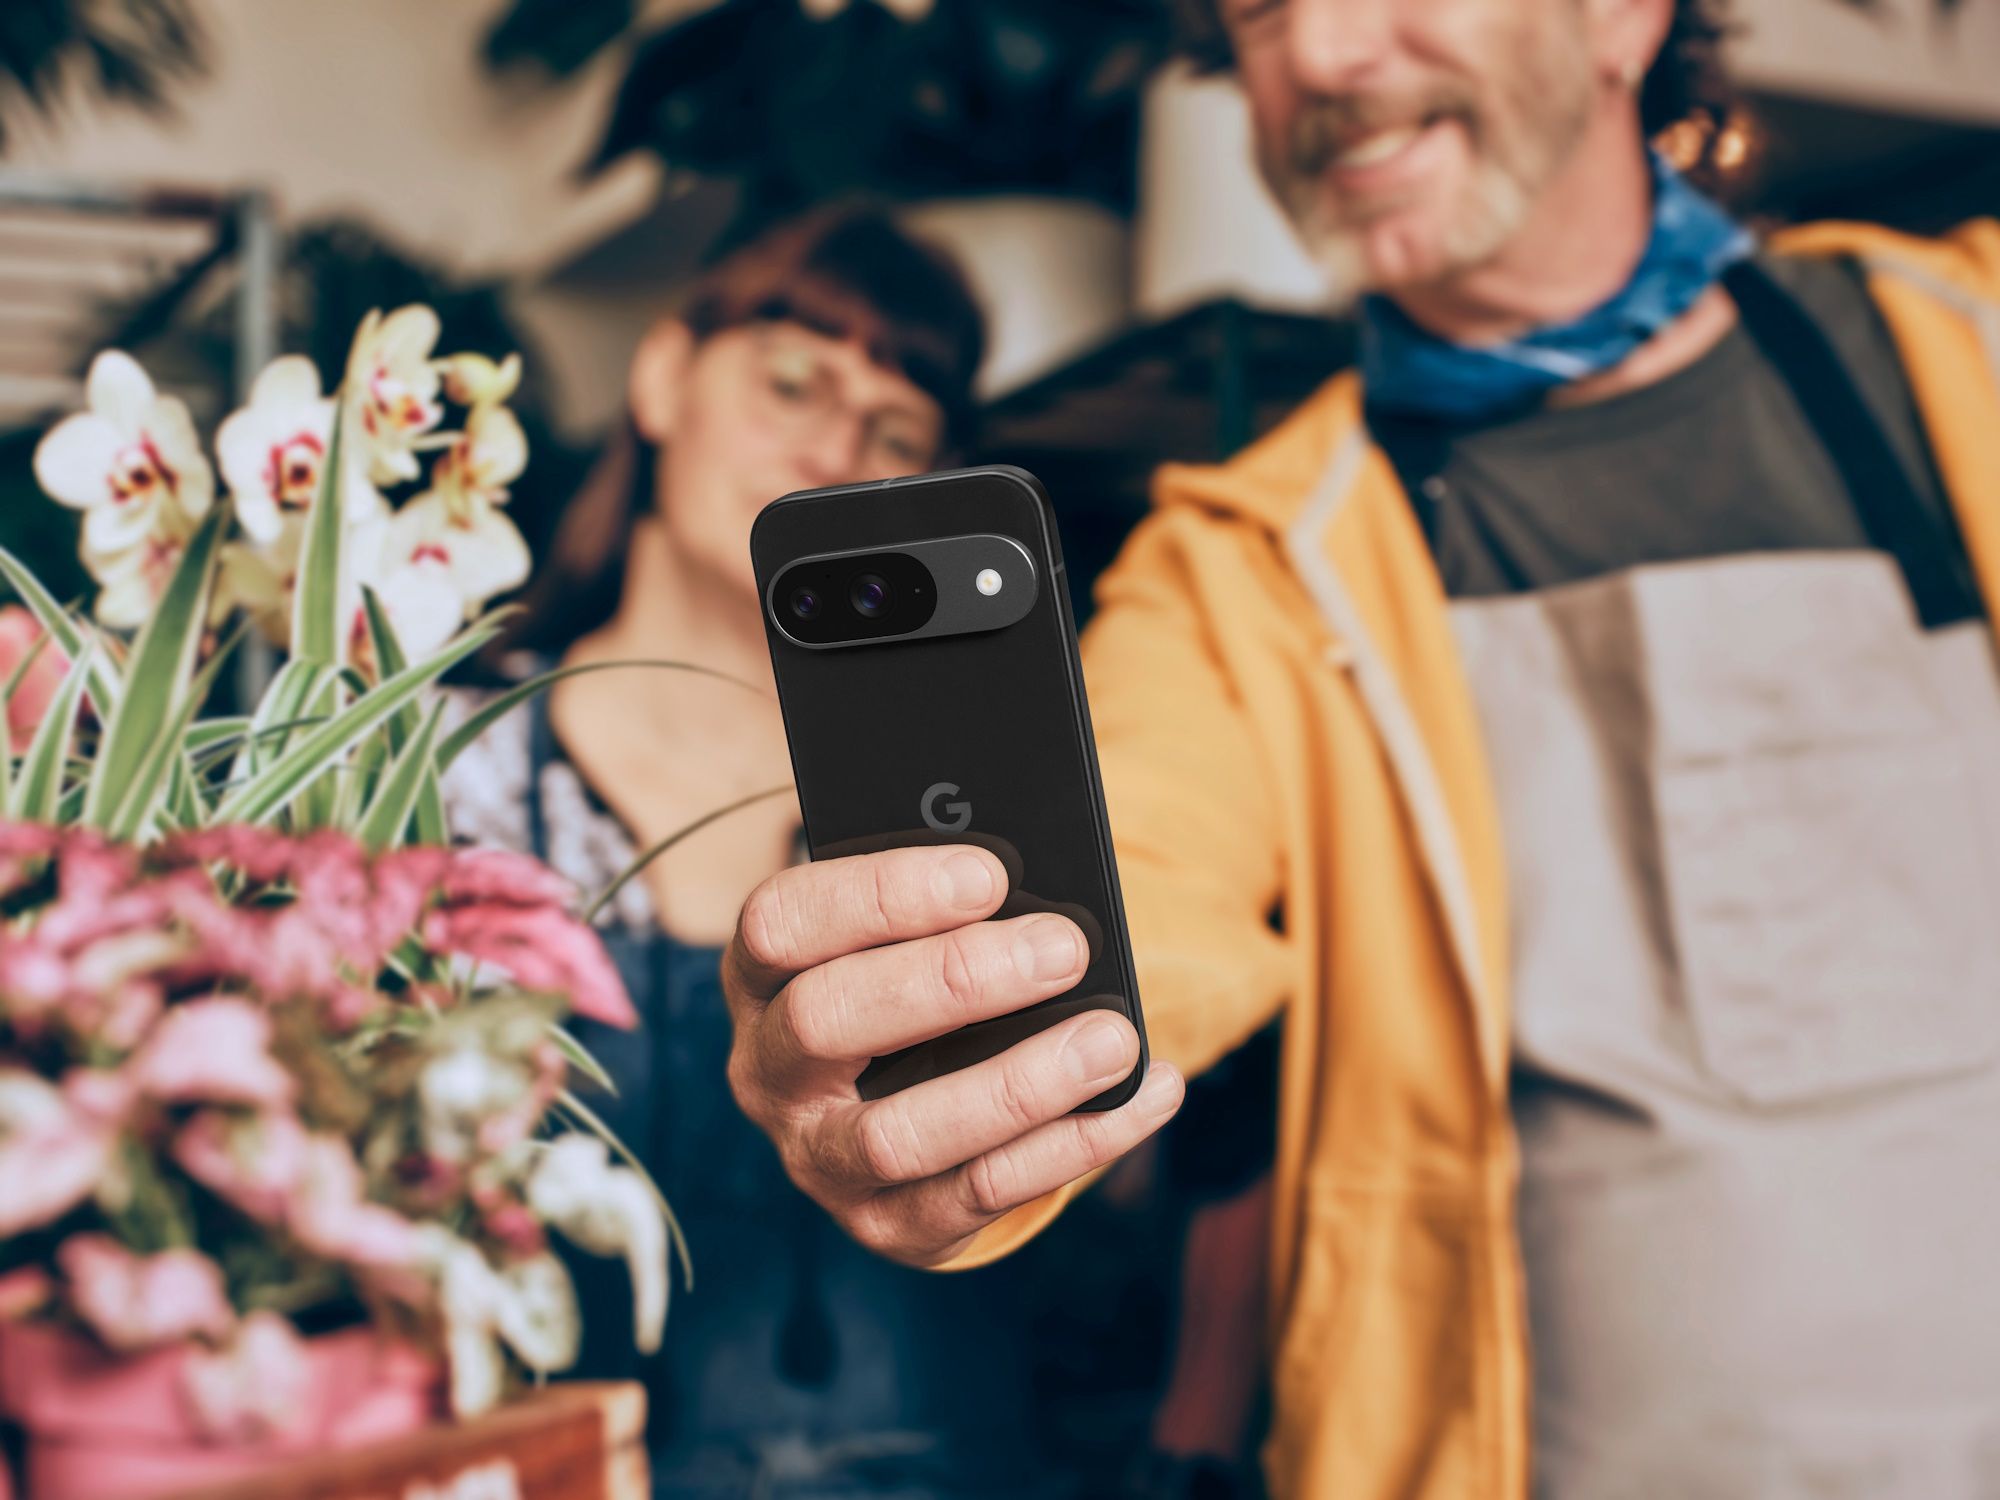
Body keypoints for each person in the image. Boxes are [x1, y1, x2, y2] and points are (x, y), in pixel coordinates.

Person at [715, 2, 2000, 1497]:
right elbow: (1132, 876)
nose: (1318, 55)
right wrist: (938, 1070)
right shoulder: (1244, 562)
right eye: (1258, 11)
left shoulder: (1965, 348)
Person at [443, 206, 1070, 1497]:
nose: (834, 444)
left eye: (893, 432)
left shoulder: (959, 801)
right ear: (664, 377)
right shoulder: (450, 769)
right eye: (794, 380)